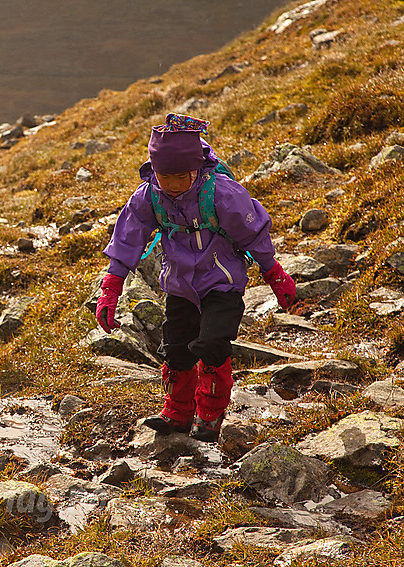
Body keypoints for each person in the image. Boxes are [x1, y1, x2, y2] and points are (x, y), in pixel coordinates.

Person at [95, 113, 296, 443]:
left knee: (212, 344)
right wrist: (111, 289)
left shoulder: (222, 194)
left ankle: (211, 416)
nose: (171, 185)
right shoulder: (149, 196)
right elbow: (127, 240)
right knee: (176, 350)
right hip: (179, 286)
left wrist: (274, 274)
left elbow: (253, 234)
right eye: (164, 176)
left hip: (222, 283)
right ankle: (176, 413)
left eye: (179, 177)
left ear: (195, 169)